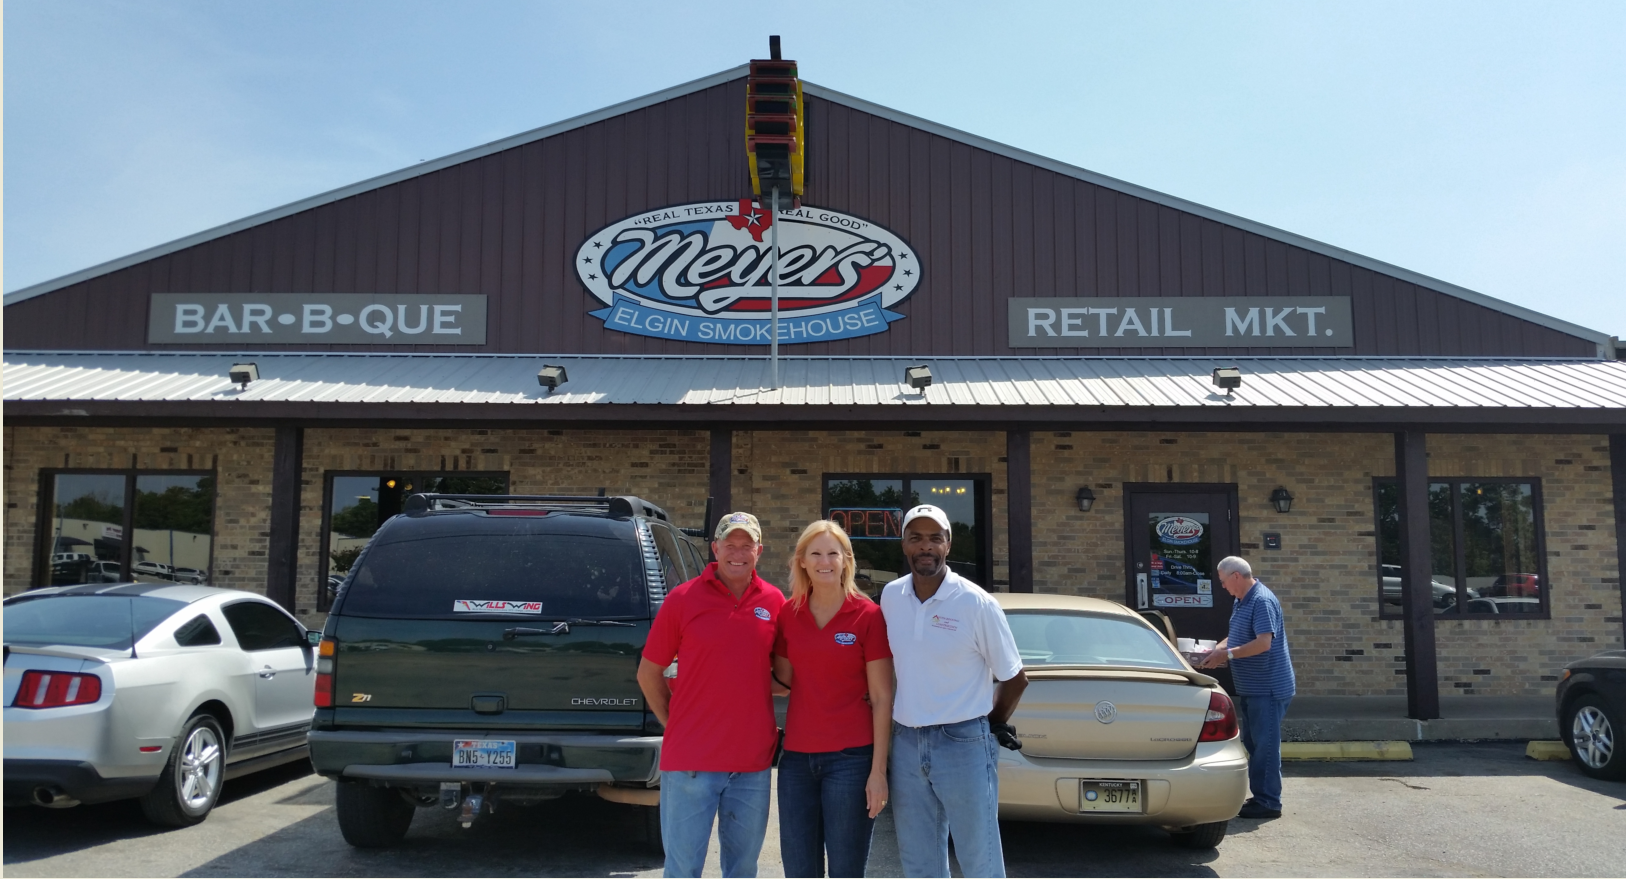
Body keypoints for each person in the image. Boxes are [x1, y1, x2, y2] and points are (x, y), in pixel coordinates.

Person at [880, 504, 1028, 878]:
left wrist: (989, 724)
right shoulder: (890, 597)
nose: (925, 546)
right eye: (916, 538)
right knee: (918, 860)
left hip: (963, 742)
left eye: (934, 538)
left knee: (979, 857)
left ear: (948, 544)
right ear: (904, 545)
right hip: (907, 742)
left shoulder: (976, 603)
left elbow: (1014, 677)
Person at [637, 511, 785, 878]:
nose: (738, 552)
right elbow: (648, 672)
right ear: (715, 548)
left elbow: (782, 678)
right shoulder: (682, 599)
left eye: (746, 545)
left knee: (742, 869)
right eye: (729, 544)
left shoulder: (775, 602)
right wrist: (674, 724)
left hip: (750, 766)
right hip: (690, 763)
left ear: (759, 550)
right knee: (683, 869)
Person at [772, 520, 895, 878]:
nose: (824, 561)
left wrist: (878, 772)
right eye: (816, 554)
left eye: (832, 553)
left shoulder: (868, 615)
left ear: (846, 560)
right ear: (803, 562)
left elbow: (883, 697)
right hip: (795, 761)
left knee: (846, 870)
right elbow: (783, 681)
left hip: (851, 761)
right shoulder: (787, 614)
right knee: (799, 871)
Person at [1198, 555, 1296, 820]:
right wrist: (1218, 647)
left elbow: (1264, 643)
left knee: (1264, 745)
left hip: (1269, 687)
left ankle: (1268, 803)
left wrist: (1226, 656)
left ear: (1236, 577)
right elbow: (1241, 635)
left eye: (1223, 581)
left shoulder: (1261, 601)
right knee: (1254, 743)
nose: (1223, 587)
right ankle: (1261, 796)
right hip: (1254, 687)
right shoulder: (1242, 600)